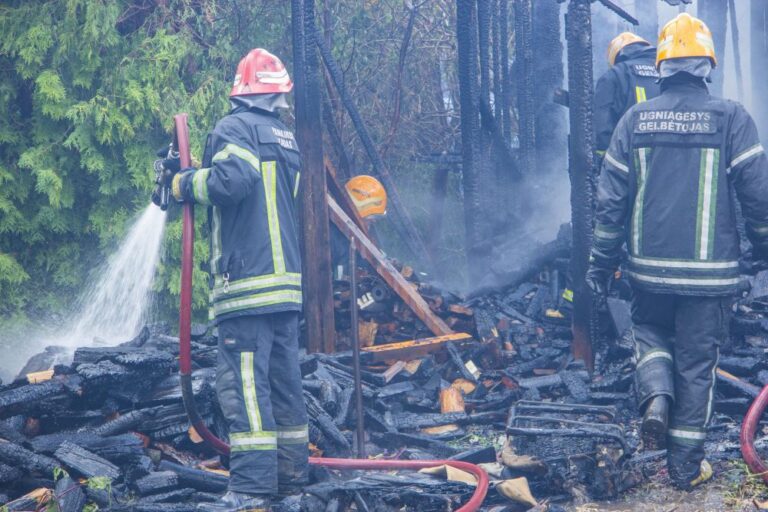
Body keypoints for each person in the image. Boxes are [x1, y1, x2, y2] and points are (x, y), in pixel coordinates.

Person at [586, 13, 768, 490]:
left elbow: (609, 204)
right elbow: (758, 197)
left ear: (663, 66)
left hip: (648, 273)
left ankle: (657, 396)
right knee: (696, 363)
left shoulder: (634, 120)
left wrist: (600, 266)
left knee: (648, 334)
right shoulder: (732, 118)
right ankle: (684, 470)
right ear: (707, 65)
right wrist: (764, 251)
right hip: (710, 279)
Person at [169, 48, 306, 512]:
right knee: (284, 384)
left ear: (242, 90)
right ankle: (290, 483)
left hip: (246, 286)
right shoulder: (286, 137)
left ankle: (250, 489)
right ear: (278, 93)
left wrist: (183, 183)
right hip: (285, 286)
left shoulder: (234, 127)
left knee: (244, 385)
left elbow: (231, 182)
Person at [559, 32, 662, 317]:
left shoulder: (615, 76)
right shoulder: (666, 73)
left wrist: (598, 173)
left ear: (618, 55)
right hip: (665, 173)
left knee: (599, 231)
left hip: (625, 171)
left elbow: (600, 131)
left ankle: (576, 302)